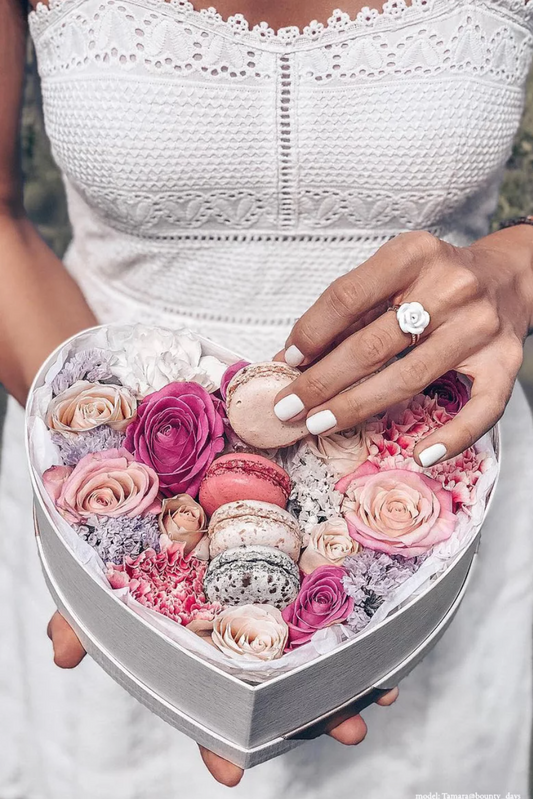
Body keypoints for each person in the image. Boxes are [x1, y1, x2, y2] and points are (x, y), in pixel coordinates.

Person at [1, 0, 533, 795]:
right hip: (104, 491)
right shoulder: (110, 515)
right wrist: (113, 524)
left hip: (435, 505)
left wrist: (515, 271)